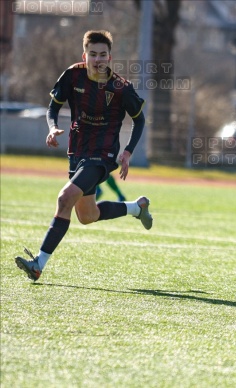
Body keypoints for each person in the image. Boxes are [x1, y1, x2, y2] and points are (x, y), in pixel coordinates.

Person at [14, 30, 153, 282]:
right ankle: (136, 207)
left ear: (110, 57)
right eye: (93, 54)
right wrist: (51, 127)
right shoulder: (72, 75)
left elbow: (139, 119)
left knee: (65, 198)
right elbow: (53, 106)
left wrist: (128, 151)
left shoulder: (120, 87)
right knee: (87, 216)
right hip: (77, 151)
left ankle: (38, 263)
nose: (98, 59)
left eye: (103, 54)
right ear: (84, 55)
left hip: (103, 153)